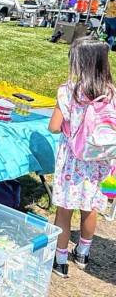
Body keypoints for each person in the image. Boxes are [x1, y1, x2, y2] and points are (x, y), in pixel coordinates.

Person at [48, 37, 115, 278]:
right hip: (100, 161)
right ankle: (83, 254)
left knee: (64, 210)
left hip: (72, 162)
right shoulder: (111, 93)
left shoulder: (67, 92)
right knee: (91, 208)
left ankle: (61, 260)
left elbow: (54, 127)